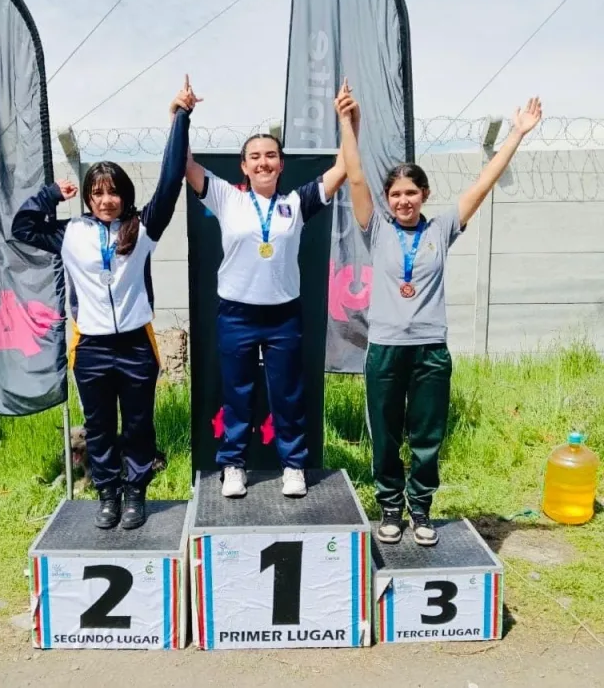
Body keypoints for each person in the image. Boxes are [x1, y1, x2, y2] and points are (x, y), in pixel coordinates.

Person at [342, 95, 543, 546]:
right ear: (387, 199)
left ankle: (422, 510)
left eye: (411, 192)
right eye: (395, 194)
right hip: (386, 349)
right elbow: (355, 176)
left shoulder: (441, 229)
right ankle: (390, 508)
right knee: (386, 436)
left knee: (427, 436)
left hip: (431, 350)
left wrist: (518, 133)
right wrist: (347, 125)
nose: (403, 200)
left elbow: (484, 182)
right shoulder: (376, 227)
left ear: (425, 195)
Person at [11, 83, 195, 530]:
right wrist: (51, 194)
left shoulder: (143, 228)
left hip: (135, 345)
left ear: (124, 194)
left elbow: (171, 180)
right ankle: (107, 495)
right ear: (89, 198)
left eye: (113, 192)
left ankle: (136, 494)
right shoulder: (71, 232)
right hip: (90, 347)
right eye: (97, 192)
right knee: (98, 428)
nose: (106, 199)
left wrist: (180, 119)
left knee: (137, 426)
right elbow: (23, 226)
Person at [181, 76, 357, 499]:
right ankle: (234, 466)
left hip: (282, 315)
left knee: (288, 393)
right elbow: (183, 163)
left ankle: (294, 465)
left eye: (271, 156)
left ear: (281, 164)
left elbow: (344, 166)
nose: (263, 162)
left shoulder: (296, 203)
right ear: (243, 166)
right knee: (236, 392)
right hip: (236, 313)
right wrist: (180, 115)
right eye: (254, 157)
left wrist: (348, 120)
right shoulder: (226, 198)